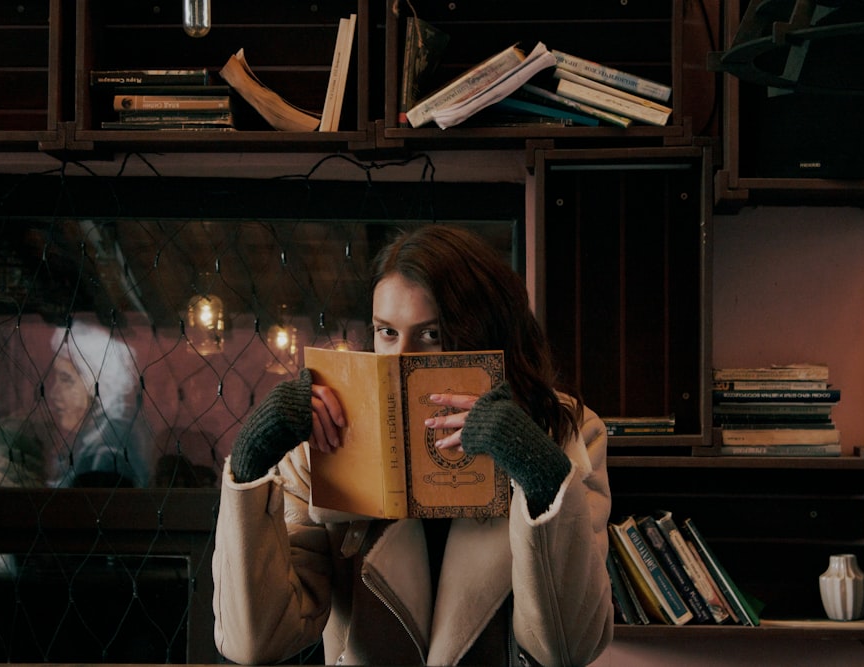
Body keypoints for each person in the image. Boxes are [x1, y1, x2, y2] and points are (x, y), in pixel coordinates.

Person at [212, 225, 612, 666]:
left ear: (486, 335)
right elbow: (256, 641)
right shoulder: (324, 437)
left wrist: (534, 467)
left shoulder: (565, 431)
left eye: (431, 334)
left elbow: (570, 647)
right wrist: (251, 459)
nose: (402, 358)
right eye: (386, 332)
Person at [45, 319, 152, 488]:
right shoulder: (96, 439)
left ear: (99, 386)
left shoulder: (107, 454)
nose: (53, 394)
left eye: (66, 380)